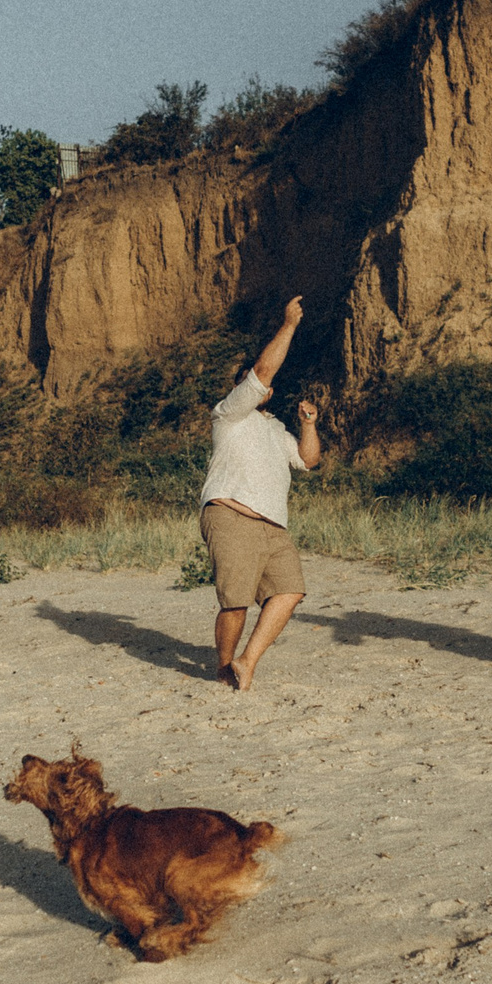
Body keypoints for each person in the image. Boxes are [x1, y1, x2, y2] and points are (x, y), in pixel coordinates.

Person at [200, 296, 322, 691]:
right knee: (235, 601)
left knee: (290, 591)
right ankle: (223, 668)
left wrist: (308, 424)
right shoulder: (228, 413)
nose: (261, 385)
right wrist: (288, 325)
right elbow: (264, 369)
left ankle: (246, 661)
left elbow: (308, 460)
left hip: (273, 525)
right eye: (252, 382)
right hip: (231, 514)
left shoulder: (275, 430)